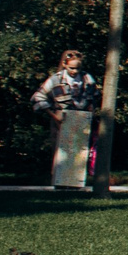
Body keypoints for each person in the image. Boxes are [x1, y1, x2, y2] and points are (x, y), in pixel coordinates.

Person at [30, 49, 98, 188]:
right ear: (65, 65)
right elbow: (38, 97)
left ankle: (76, 183)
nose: (74, 71)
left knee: (79, 152)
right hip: (62, 119)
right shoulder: (56, 79)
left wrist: (91, 111)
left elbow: (94, 96)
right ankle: (59, 184)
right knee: (61, 153)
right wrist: (54, 115)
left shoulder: (86, 78)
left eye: (77, 68)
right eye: (71, 68)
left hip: (80, 119)